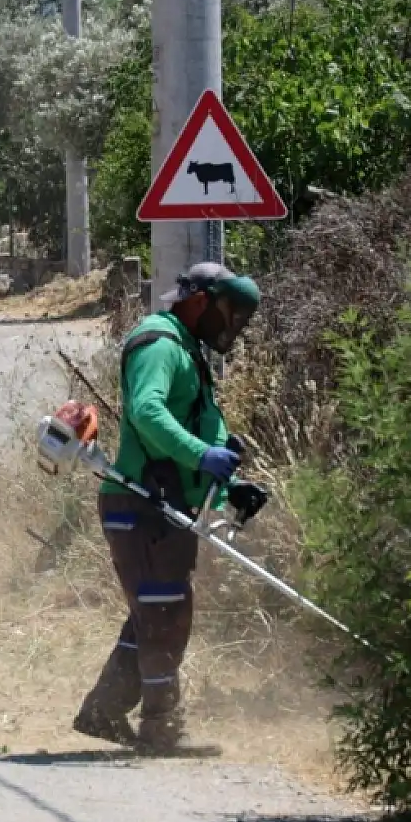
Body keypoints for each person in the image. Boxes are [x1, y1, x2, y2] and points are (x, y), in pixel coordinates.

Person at [73, 262, 262, 758]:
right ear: (201, 301)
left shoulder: (186, 350)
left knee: (152, 614)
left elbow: (205, 434)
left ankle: (104, 709)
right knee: (165, 614)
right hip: (142, 503)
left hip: (160, 504)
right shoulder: (160, 344)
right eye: (231, 314)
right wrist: (203, 457)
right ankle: (161, 728)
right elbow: (147, 411)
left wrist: (231, 485)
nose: (234, 328)